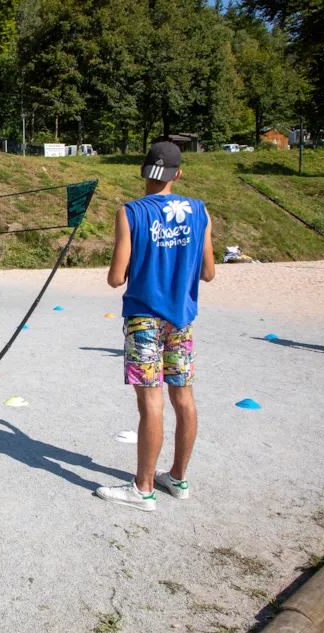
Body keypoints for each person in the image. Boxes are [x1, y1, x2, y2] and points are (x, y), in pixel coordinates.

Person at [96, 141, 215, 512]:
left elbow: (116, 278)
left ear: (144, 171)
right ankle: (177, 478)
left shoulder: (130, 212)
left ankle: (143, 488)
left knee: (151, 403)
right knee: (184, 397)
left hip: (145, 318)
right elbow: (209, 272)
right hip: (182, 319)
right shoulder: (199, 211)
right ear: (177, 174)